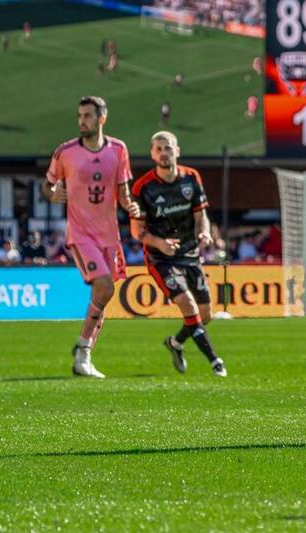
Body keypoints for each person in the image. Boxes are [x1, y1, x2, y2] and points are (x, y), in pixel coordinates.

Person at [42, 95, 140, 378]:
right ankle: (83, 351)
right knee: (105, 287)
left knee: (104, 293)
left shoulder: (119, 150)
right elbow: (46, 187)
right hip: (81, 234)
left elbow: (122, 192)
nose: (81, 121)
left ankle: (84, 353)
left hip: (109, 235)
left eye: (87, 115)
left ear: (101, 118)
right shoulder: (66, 152)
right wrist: (52, 194)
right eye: (79, 115)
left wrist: (131, 205)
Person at [130, 131, 227, 377]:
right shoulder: (143, 187)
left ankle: (175, 343)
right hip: (160, 258)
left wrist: (204, 232)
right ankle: (215, 361)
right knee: (188, 304)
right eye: (159, 149)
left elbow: (200, 215)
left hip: (190, 254)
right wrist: (160, 243)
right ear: (152, 154)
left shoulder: (191, 177)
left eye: (168, 148)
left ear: (177, 151)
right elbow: (137, 231)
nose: (164, 153)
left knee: (205, 315)